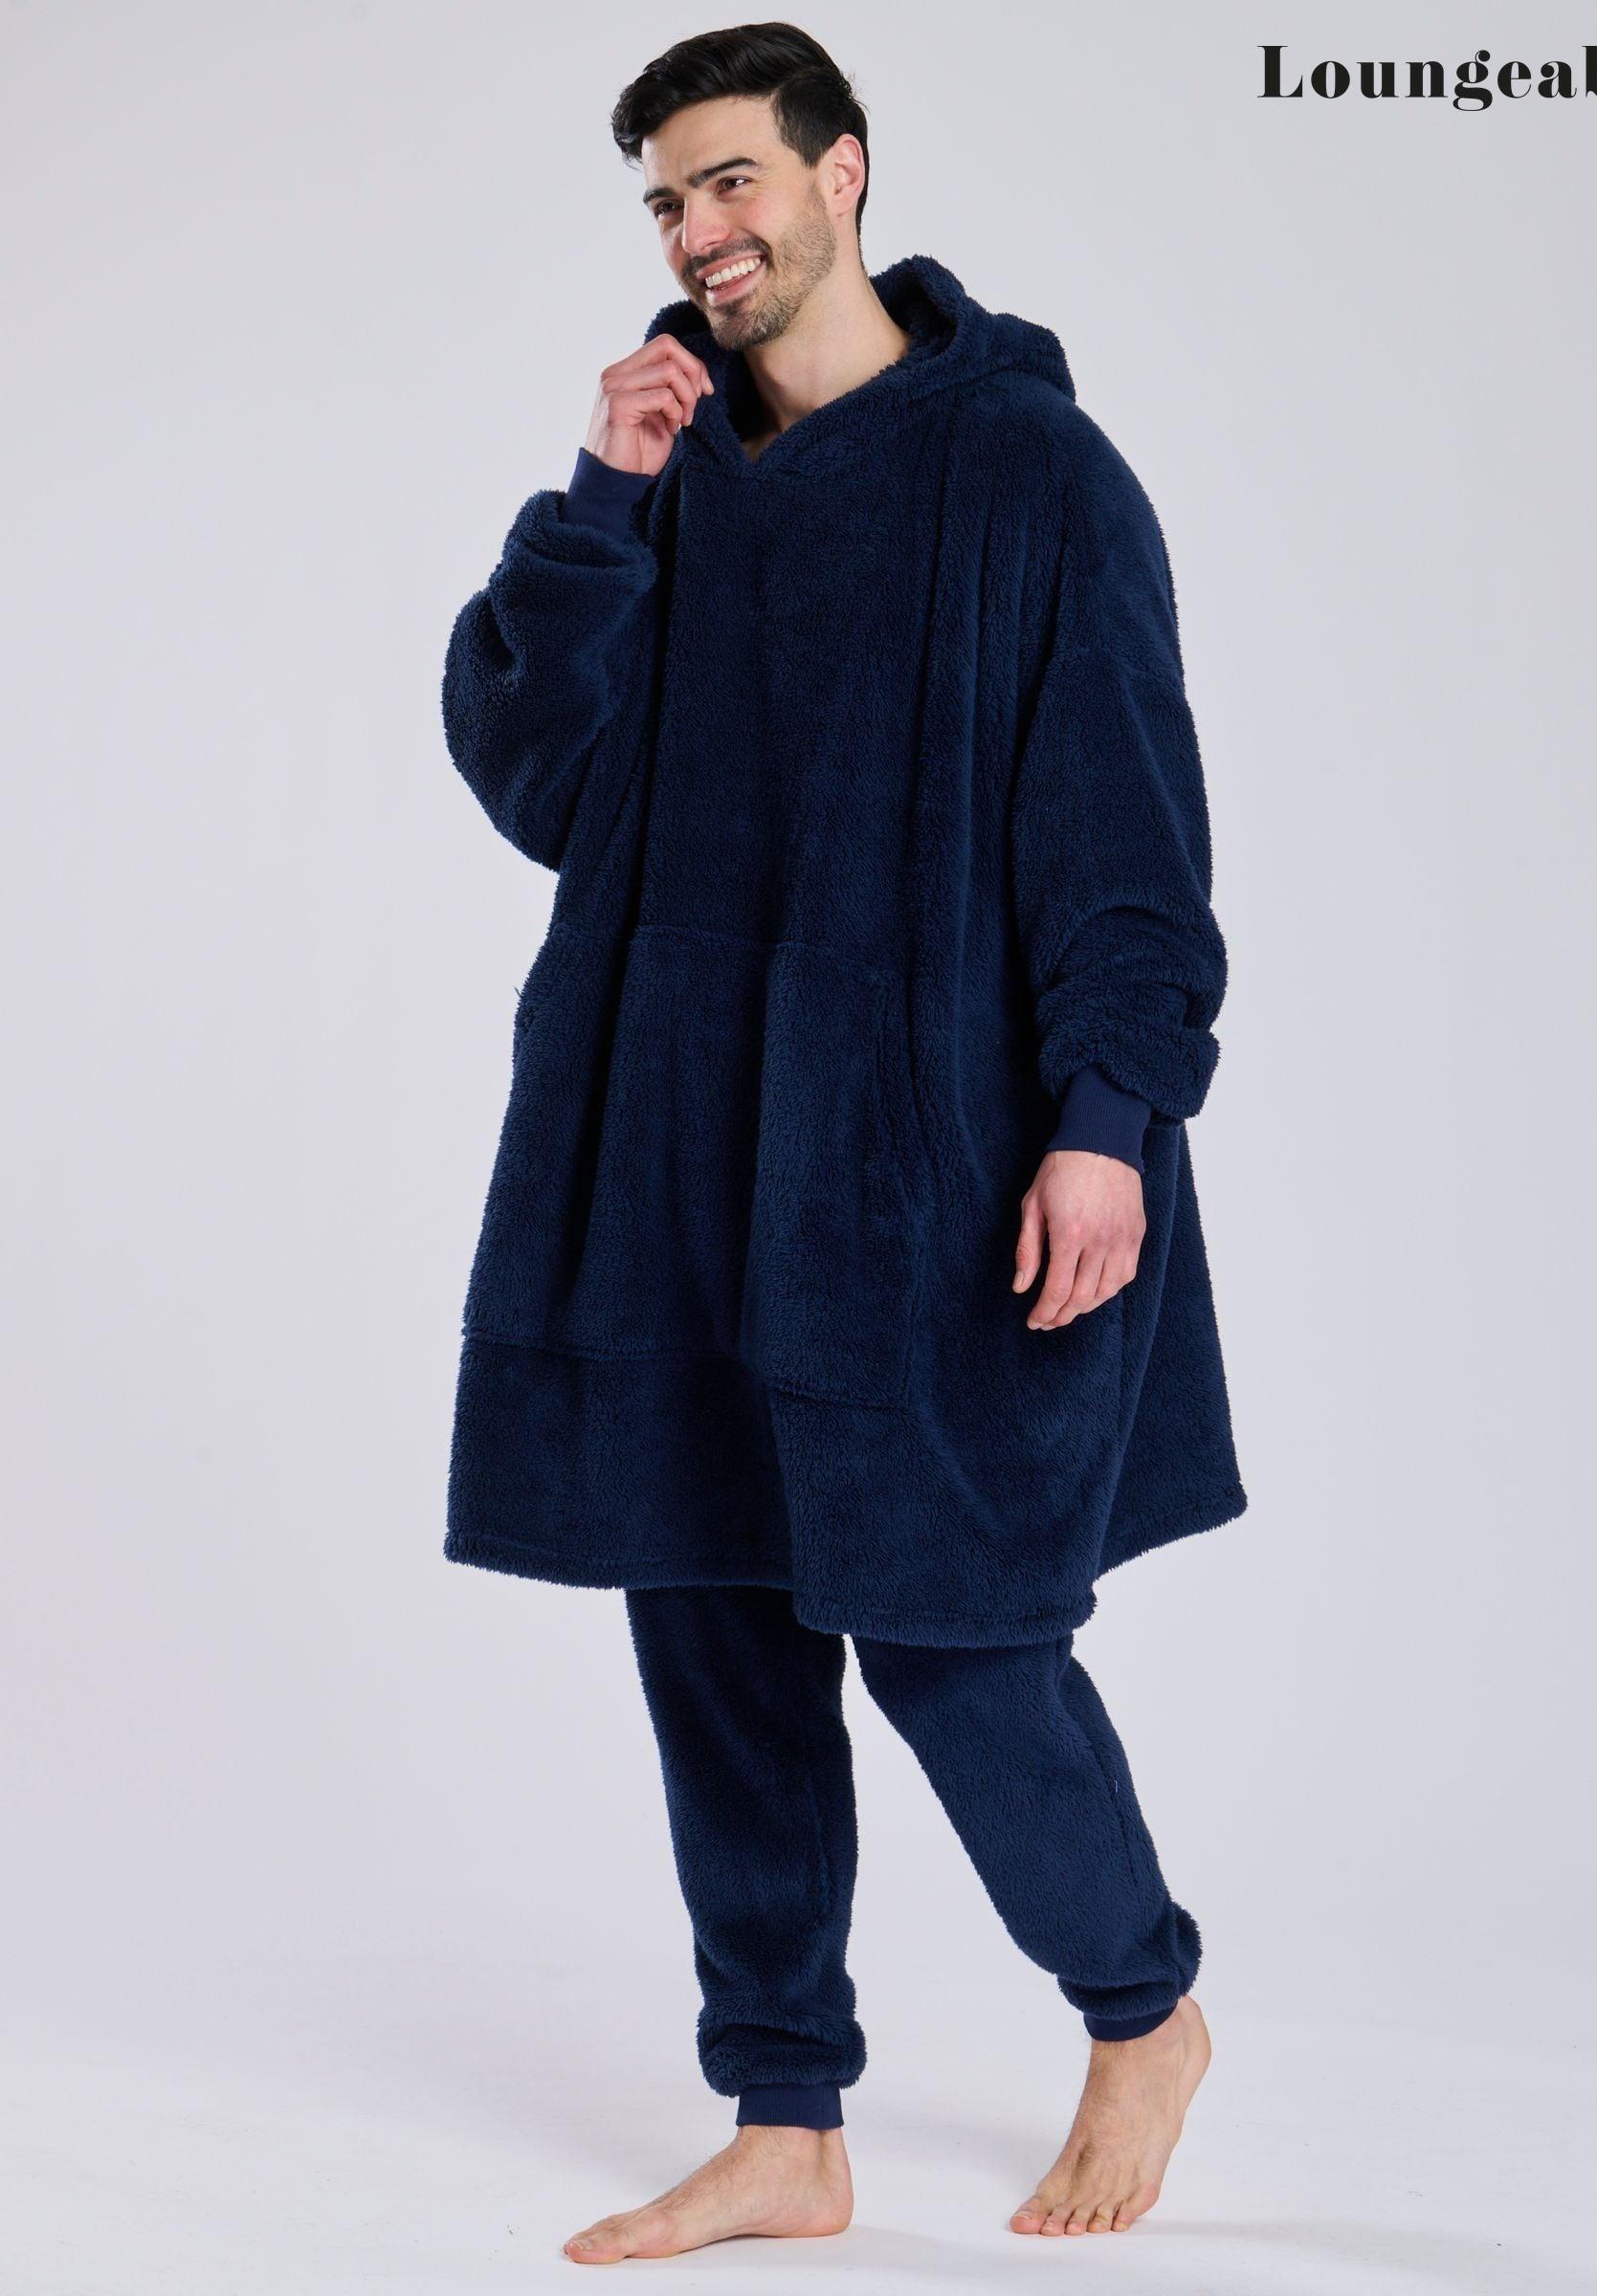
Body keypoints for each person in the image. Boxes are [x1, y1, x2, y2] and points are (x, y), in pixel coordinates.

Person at [438, 22, 1247, 2263]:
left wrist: (1108, 1121)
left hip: (925, 1164)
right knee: (709, 1628)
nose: (699, 232)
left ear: (843, 173)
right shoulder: (671, 473)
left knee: (954, 1632)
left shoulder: (1031, 473)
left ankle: (1142, 2006)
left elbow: (1127, 831)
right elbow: (534, 774)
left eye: (730, 181)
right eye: (665, 202)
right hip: (667, 1147)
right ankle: (784, 2119)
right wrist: (597, 504)